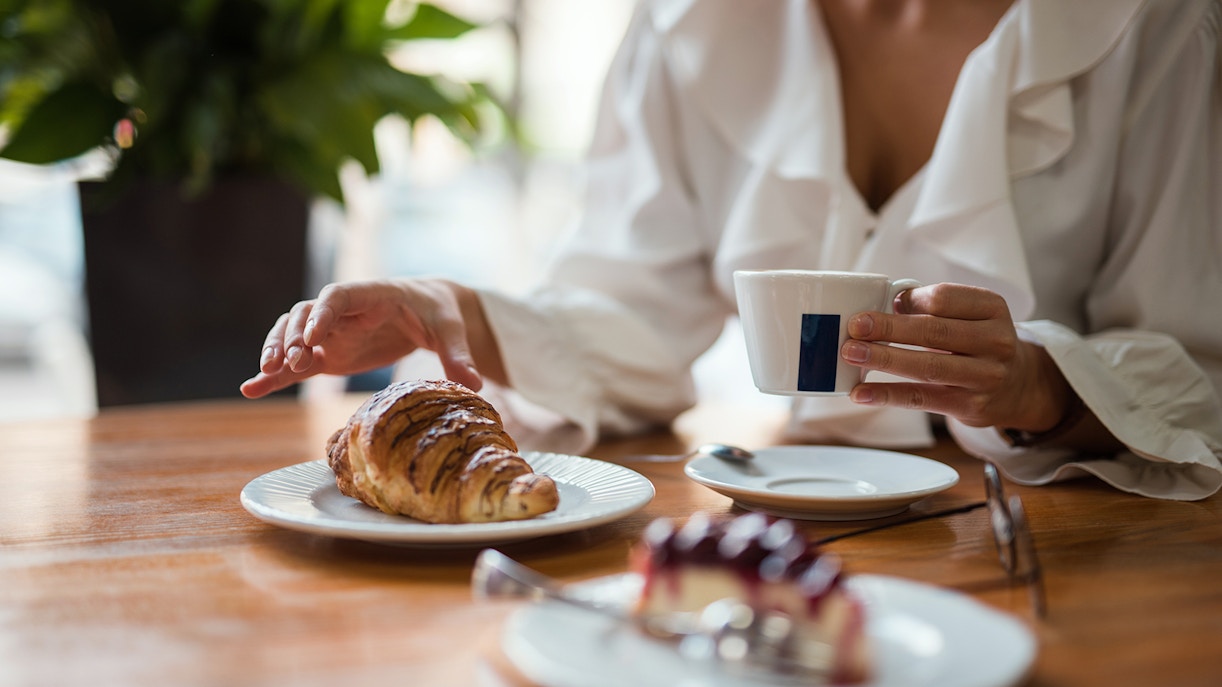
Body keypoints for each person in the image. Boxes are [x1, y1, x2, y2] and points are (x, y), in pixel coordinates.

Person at [241, 0, 1222, 501]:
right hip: (777, 515)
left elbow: (1199, 366)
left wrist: (1045, 388)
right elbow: (631, 308)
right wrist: (444, 310)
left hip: (1069, 544)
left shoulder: (1154, 27)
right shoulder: (693, 22)